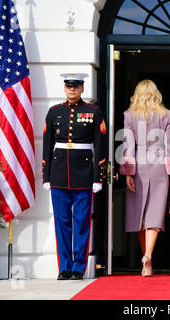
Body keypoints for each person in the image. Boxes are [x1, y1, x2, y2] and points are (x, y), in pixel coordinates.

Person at [42, 73, 107, 280]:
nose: (72, 90)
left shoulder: (93, 112)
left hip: (84, 174)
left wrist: (98, 177)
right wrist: (46, 175)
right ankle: (64, 267)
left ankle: (78, 268)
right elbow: (47, 144)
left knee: (81, 222)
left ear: (82, 89)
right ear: (64, 88)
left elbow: (100, 145)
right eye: (69, 87)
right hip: (59, 173)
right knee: (62, 222)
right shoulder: (54, 112)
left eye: (76, 87)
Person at [119, 79, 170, 277]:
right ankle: (148, 255)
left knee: (139, 214)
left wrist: (128, 172)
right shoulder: (166, 114)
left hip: (138, 163)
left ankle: (145, 255)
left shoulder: (129, 115)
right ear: (156, 94)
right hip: (159, 164)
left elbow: (127, 145)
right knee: (155, 213)